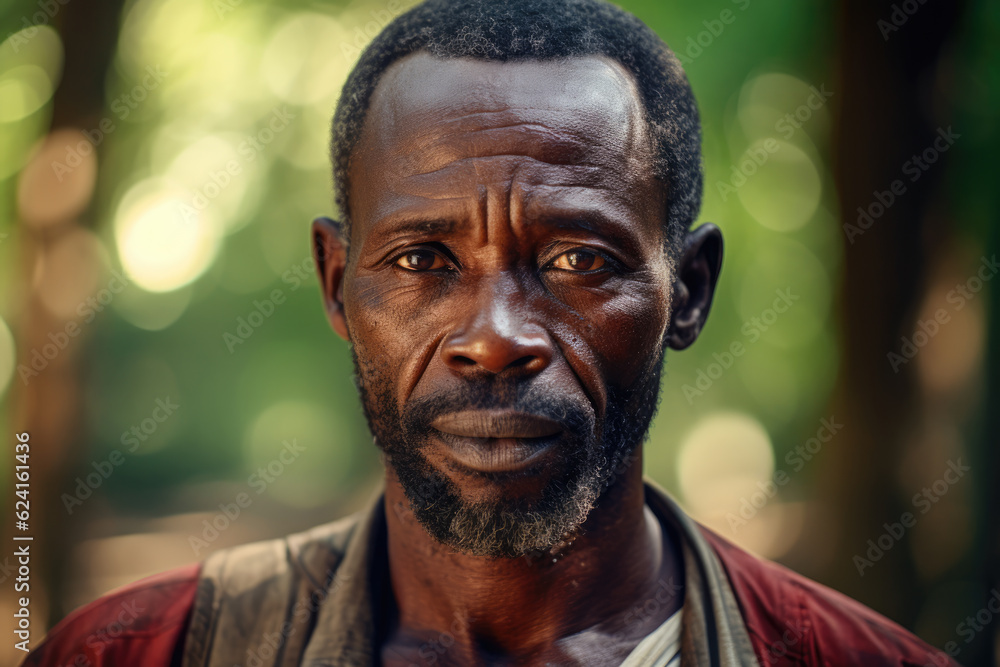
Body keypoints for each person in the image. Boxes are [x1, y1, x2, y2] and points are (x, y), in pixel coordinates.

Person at [23, 0, 961, 665]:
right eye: (424, 260)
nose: (496, 337)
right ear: (336, 284)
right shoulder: (130, 654)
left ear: (689, 291)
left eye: (578, 262)